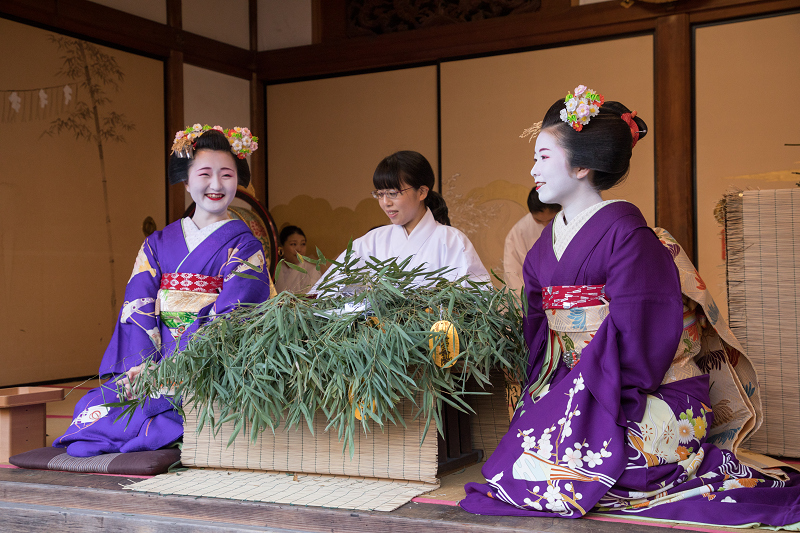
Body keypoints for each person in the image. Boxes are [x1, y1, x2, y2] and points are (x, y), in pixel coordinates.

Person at [460, 87, 800, 527]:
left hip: (642, 386)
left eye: (543, 157)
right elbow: (539, 327)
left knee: (624, 470)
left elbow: (642, 335)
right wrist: (550, 388)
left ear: (582, 166)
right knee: (524, 460)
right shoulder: (546, 244)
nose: (532, 170)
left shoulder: (629, 236)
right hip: (577, 381)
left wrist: (589, 394)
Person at [54, 125, 275, 457]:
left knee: (174, 408)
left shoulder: (245, 246)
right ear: (186, 181)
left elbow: (236, 317)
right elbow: (138, 304)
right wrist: (144, 366)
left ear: (237, 183)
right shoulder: (158, 243)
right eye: (205, 174)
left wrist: (182, 367)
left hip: (206, 367)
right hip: (154, 361)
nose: (216, 185)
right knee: (94, 404)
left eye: (226, 175)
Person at [315, 150, 490, 290]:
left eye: (393, 194)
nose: (385, 203)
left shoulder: (452, 242)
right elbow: (326, 292)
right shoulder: (370, 243)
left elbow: (477, 303)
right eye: (380, 194)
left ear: (422, 192)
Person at [503, 188, 560, 294]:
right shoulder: (519, 231)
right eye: (538, 220)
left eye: (550, 220)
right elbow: (514, 273)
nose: (545, 225)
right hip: (534, 293)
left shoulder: (572, 222)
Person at [275, 225, 321, 294]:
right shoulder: (274, 269)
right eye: (293, 244)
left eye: (303, 244)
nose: (299, 249)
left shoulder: (312, 271)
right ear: (282, 247)